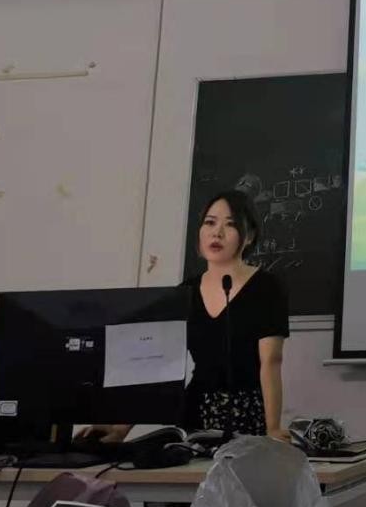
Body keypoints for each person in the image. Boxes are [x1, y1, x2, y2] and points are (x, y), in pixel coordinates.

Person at [80, 189, 290, 442]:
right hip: (194, 414)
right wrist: (120, 427)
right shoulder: (185, 293)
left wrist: (273, 428)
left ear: (250, 236)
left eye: (231, 224)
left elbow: (271, 361)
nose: (217, 233)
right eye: (210, 223)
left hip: (247, 415)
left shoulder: (267, 287)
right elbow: (160, 364)